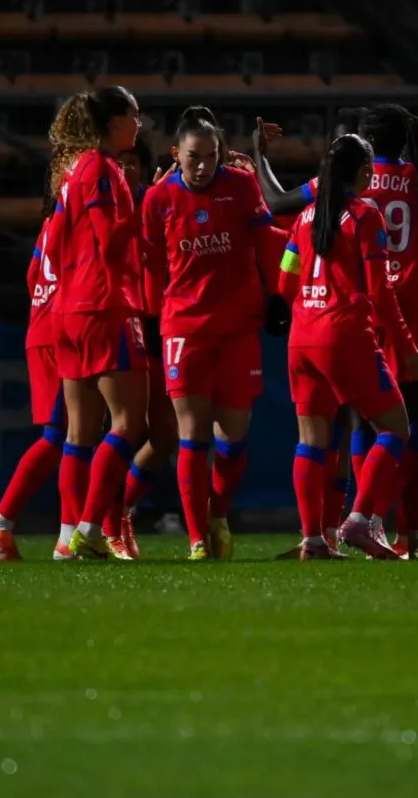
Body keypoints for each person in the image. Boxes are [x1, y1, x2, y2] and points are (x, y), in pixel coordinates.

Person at [257, 108, 418, 559]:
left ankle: (320, 535)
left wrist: (260, 156)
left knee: (341, 430)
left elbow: (280, 224)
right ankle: (396, 530)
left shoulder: (323, 195)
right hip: (389, 319)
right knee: (409, 428)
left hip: (313, 325)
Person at [142, 106, 288, 560]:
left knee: (233, 437)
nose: (202, 165)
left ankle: (218, 515)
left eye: (210, 156)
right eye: (192, 157)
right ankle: (196, 539)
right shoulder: (158, 199)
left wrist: (278, 296)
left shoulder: (241, 187)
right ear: (175, 154)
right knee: (192, 434)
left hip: (237, 329)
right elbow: (149, 267)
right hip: (184, 328)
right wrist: (149, 321)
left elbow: (269, 242)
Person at [277, 133, 418, 560]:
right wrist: (408, 347)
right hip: (342, 337)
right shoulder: (365, 215)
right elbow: (381, 290)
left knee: (312, 442)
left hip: (302, 338)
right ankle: (359, 521)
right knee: (395, 427)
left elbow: (286, 281)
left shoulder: (305, 217)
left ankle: (312, 541)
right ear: (362, 171)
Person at [47, 86, 150, 561]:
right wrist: (146, 209)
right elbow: (110, 242)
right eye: (134, 115)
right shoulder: (103, 170)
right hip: (104, 304)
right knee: (129, 423)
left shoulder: (73, 171)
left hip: (69, 309)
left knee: (79, 432)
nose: (140, 124)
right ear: (113, 122)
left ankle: (68, 538)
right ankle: (91, 527)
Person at [93, 135, 180, 560]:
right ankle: (107, 525)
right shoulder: (106, 210)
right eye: (121, 163)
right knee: (125, 426)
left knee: (165, 434)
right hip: (123, 317)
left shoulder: (156, 201)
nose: (126, 170)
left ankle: (121, 512)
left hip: (160, 321)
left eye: (134, 164)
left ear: (144, 169)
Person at [0, 205, 69, 561]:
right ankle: (68, 534)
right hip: (62, 331)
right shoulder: (83, 211)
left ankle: (7, 521)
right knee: (66, 434)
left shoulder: (51, 220)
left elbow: (33, 276)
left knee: (67, 434)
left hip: (45, 328)